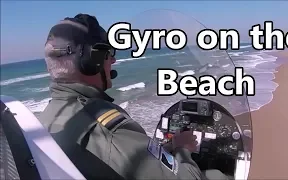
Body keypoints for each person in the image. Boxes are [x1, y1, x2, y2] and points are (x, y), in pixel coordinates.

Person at [39, 13, 228, 180]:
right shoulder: (109, 130)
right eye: (108, 53)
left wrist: (169, 146)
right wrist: (183, 149)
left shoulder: (46, 118)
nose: (113, 60)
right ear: (91, 60)